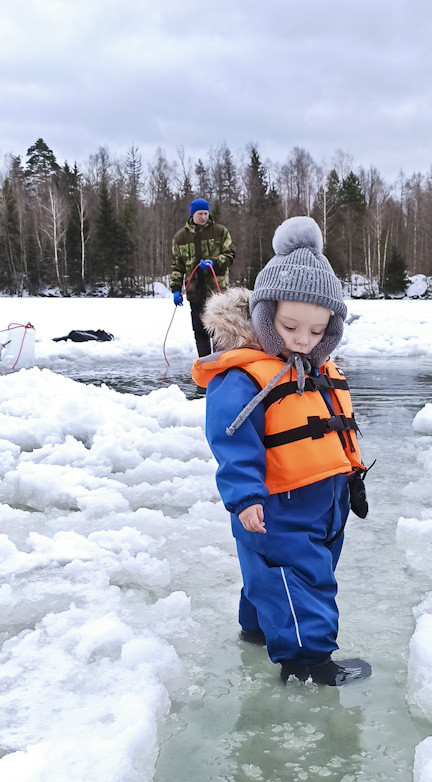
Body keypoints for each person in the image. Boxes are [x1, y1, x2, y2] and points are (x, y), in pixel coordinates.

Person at [191, 216, 372, 686]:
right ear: (266, 314)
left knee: (278, 573)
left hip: (324, 502)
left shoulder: (316, 369)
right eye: (290, 326)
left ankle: (256, 629)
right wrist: (245, 496)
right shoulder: (246, 378)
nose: (302, 340)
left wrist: (352, 478)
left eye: (317, 331)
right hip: (277, 506)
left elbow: (336, 430)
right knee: (300, 578)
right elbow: (231, 440)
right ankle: (308, 661)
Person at [170, 198, 236, 356]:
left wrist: (214, 262)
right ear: (193, 214)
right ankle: (205, 366)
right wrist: (176, 289)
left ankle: (222, 365)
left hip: (217, 292)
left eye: (206, 213)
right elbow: (177, 265)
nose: (204, 217)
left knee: (219, 331)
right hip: (195, 292)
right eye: (200, 213)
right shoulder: (180, 238)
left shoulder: (220, 232)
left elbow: (230, 254)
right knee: (200, 332)